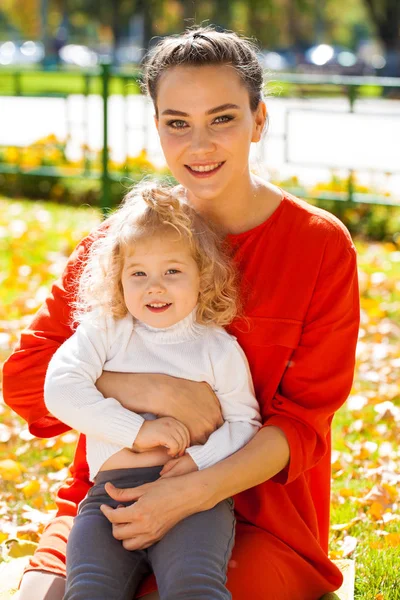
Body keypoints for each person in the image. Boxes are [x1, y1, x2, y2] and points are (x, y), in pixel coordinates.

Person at [3, 26, 360, 600]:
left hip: (255, 513)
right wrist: (154, 392)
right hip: (108, 499)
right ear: (158, 127)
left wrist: (190, 492)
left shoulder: (319, 246)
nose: (199, 146)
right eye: (178, 122)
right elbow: (24, 378)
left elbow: (302, 425)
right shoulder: (121, 244)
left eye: (222, 119)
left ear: (259, 120)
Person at [43, 183, 261, 600]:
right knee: (89, 588)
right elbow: (60, 388)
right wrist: (137, 431)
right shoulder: (105, 331)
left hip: (193, 498)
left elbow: (244, 424)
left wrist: (200, 459)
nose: (154, 287)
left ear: (203, 274)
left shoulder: (217, 348)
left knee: (194, 585)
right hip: (109, 498)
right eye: (138, 273)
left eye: (172, 272)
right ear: (118, 278)